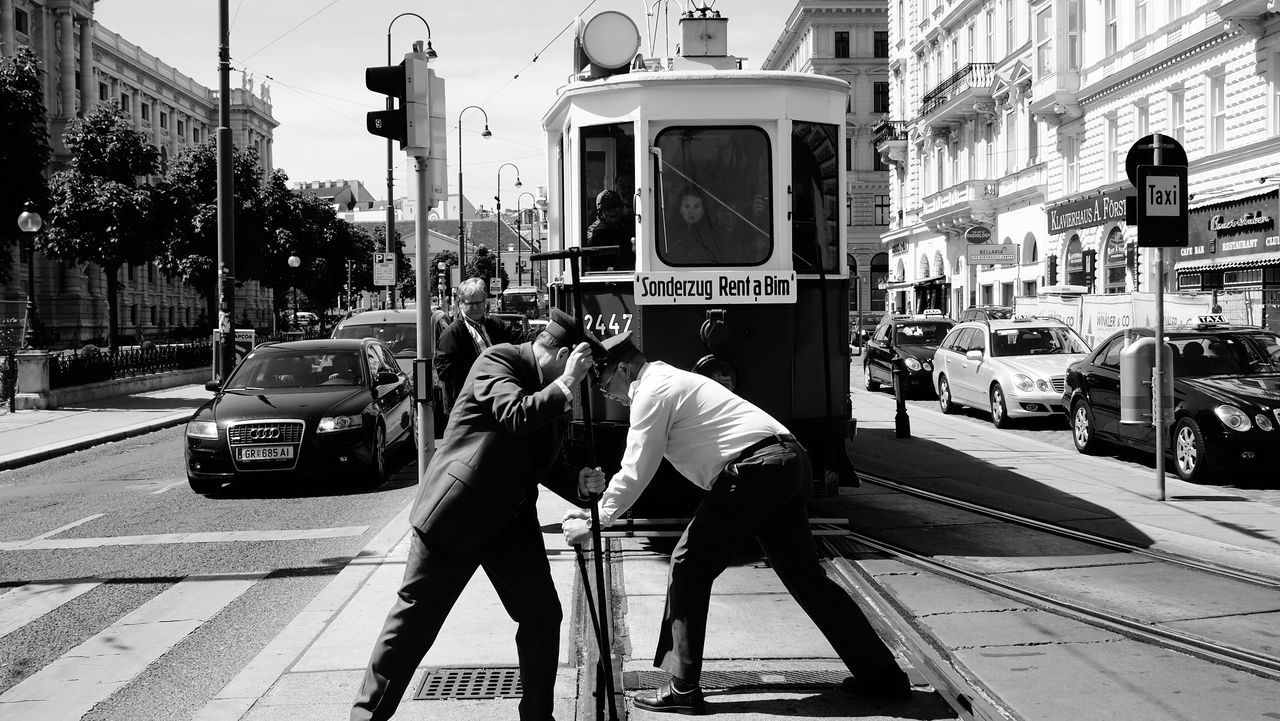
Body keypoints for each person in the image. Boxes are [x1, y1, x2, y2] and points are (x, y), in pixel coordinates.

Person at [563, 332, 911, 714]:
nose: (603, 391)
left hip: (755, 471)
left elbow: (636, 468)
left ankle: (682, 688)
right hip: (788, 460)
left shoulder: (651, 391)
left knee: (688, 565)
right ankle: (882, 676)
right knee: (807, 579)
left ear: (625, 368)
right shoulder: (670, 380)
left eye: (605, 380)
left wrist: (597, 520)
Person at [351, 309, 608, 721]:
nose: (579, 385)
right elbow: (516, 415)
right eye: (576, 371)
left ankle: (538, 716)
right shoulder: (499, 360)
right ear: (561, 354)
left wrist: (579, 482)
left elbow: (542, 461)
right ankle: (366, 715)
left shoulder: (554, 392)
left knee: (542, 615)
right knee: (414, 623)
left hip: (510, 520)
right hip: (459, 514)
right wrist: (565, 384)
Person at [435, 277, 521, 414]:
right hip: (470, 405)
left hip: (498, 397)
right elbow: (444, 371)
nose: (475, 308)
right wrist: (478, 372)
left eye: (479, 303)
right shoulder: (452, 333)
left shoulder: (493, 324)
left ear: (485, 301)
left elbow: (519, 338)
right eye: (470, 303)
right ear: (461, 303)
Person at [663, 187, 725, 264]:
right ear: (680, 209)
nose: (691, 211)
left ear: (703, 210)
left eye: (696, 207)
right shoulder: (667, 234)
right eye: (687, 206)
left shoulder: (714, 235)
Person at [583, 189, 635, 272]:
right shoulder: (600, 232)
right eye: (608, 208)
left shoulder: (629, 224)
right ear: (600, 214)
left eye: (616, 206)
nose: (613, 211)